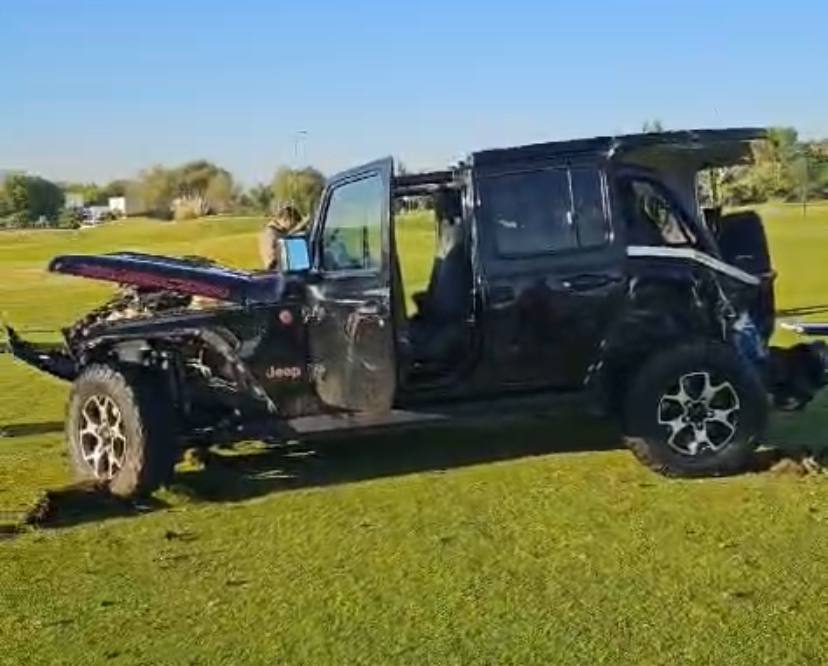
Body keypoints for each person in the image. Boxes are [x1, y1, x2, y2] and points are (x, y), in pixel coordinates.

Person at [259, 204, 304, 271]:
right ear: (286, 219)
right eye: (294, 223)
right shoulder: (270, 233)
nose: (294, 226)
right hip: (276, 272)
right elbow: (271, 258)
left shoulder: (281, 231)